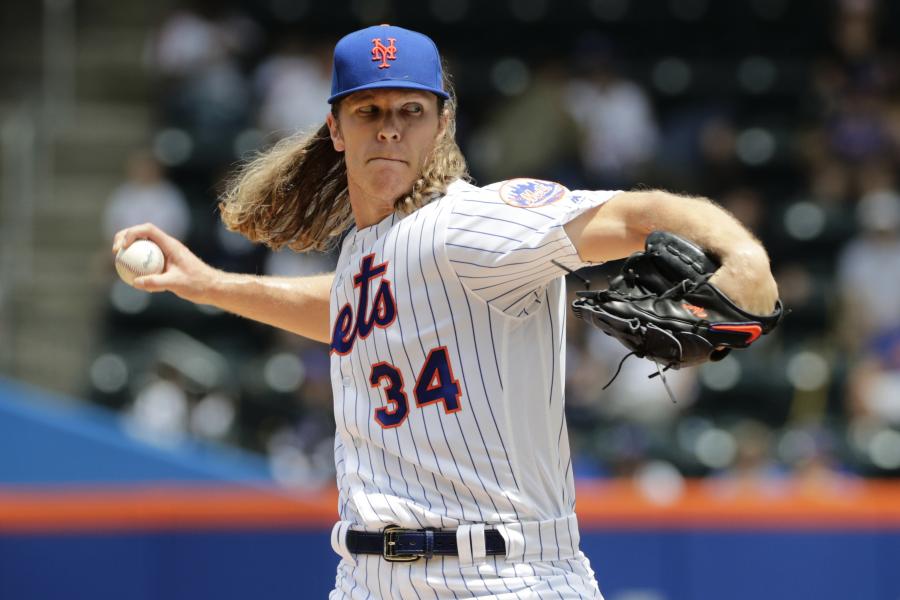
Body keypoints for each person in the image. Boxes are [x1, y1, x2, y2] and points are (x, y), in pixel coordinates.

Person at [113, 24, 778, 599]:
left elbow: (637, 215)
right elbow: (343, 311)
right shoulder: (364, 255)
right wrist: (206, 284)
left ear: (441, 122)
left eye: (411, 110)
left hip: (502, 576)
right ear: (336, 129)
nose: (391, 129)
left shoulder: (474, 224)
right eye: (369, 111)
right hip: (368, 579)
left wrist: (741, 253)